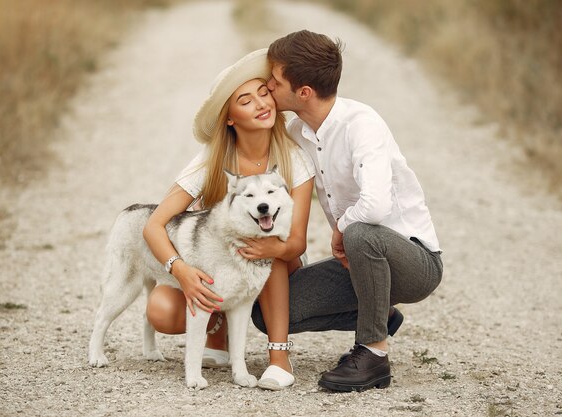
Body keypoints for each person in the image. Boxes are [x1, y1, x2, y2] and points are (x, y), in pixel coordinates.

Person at [250, 30, 443, 392]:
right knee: (268, 312)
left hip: (415, 262)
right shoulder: (296, 133)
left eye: (275, 82)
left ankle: (373, 354)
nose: (269, 88)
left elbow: (375, 206)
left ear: (303, 92)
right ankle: (379, 316)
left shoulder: (361, 125)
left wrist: (341, 229)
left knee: (360, 231)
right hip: (359, 266)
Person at [143, 49, 315, 390]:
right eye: (245, 100)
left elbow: (296, 242)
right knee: (161, 309)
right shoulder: (211, 160)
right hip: (220, 265)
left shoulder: (294, 158)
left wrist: (268, 245)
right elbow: (153, 224)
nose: (261, 104)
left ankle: (279, 357)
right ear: (230, 118)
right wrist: (181, 270)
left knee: (267, 245)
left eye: (264, 94)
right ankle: (217, 333)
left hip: (279, 261)